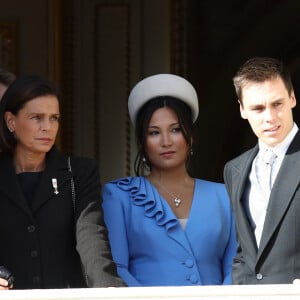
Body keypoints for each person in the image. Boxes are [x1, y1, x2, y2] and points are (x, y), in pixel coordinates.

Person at [102, 74, 237, 286]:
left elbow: (235, 265)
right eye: (154, 133)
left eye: (175, 130)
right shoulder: (119, 196)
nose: (166, 141)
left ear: (190, 137)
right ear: (142, 143)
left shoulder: (225, 195)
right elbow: (117, 268)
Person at [0, 74, 125, 289]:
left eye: (54, 118)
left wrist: (109, 289)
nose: (47, 127)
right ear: (11, 121)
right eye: (37, 117)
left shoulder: (79, 172)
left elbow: (92, 237)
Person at [224, 56, 300, 284]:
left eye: (277, 104)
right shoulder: (234, 170)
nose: (270, 117)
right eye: (258, 108)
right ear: (242, 110)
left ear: (292, 98)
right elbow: (244, 253)